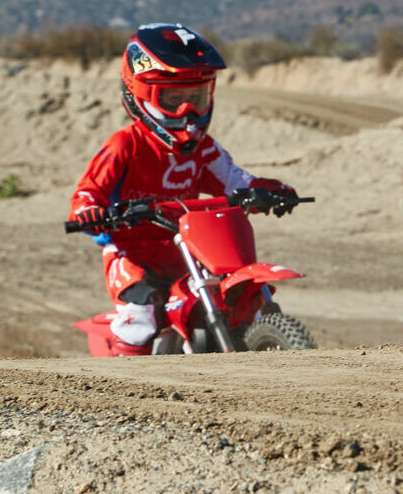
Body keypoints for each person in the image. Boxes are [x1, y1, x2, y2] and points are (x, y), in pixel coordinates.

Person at [67, 23, 296, 352]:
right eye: (173, 98)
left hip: (189, 249)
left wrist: (267, 190)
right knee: (141, 319)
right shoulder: (125, 146)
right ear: (142, 94)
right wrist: (89, 213)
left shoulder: (203, 148)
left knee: (229, 299)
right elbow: (87, 193)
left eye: (196, 97)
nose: (188, 110)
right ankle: (127, 386)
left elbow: (234, 179)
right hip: (133, 256)